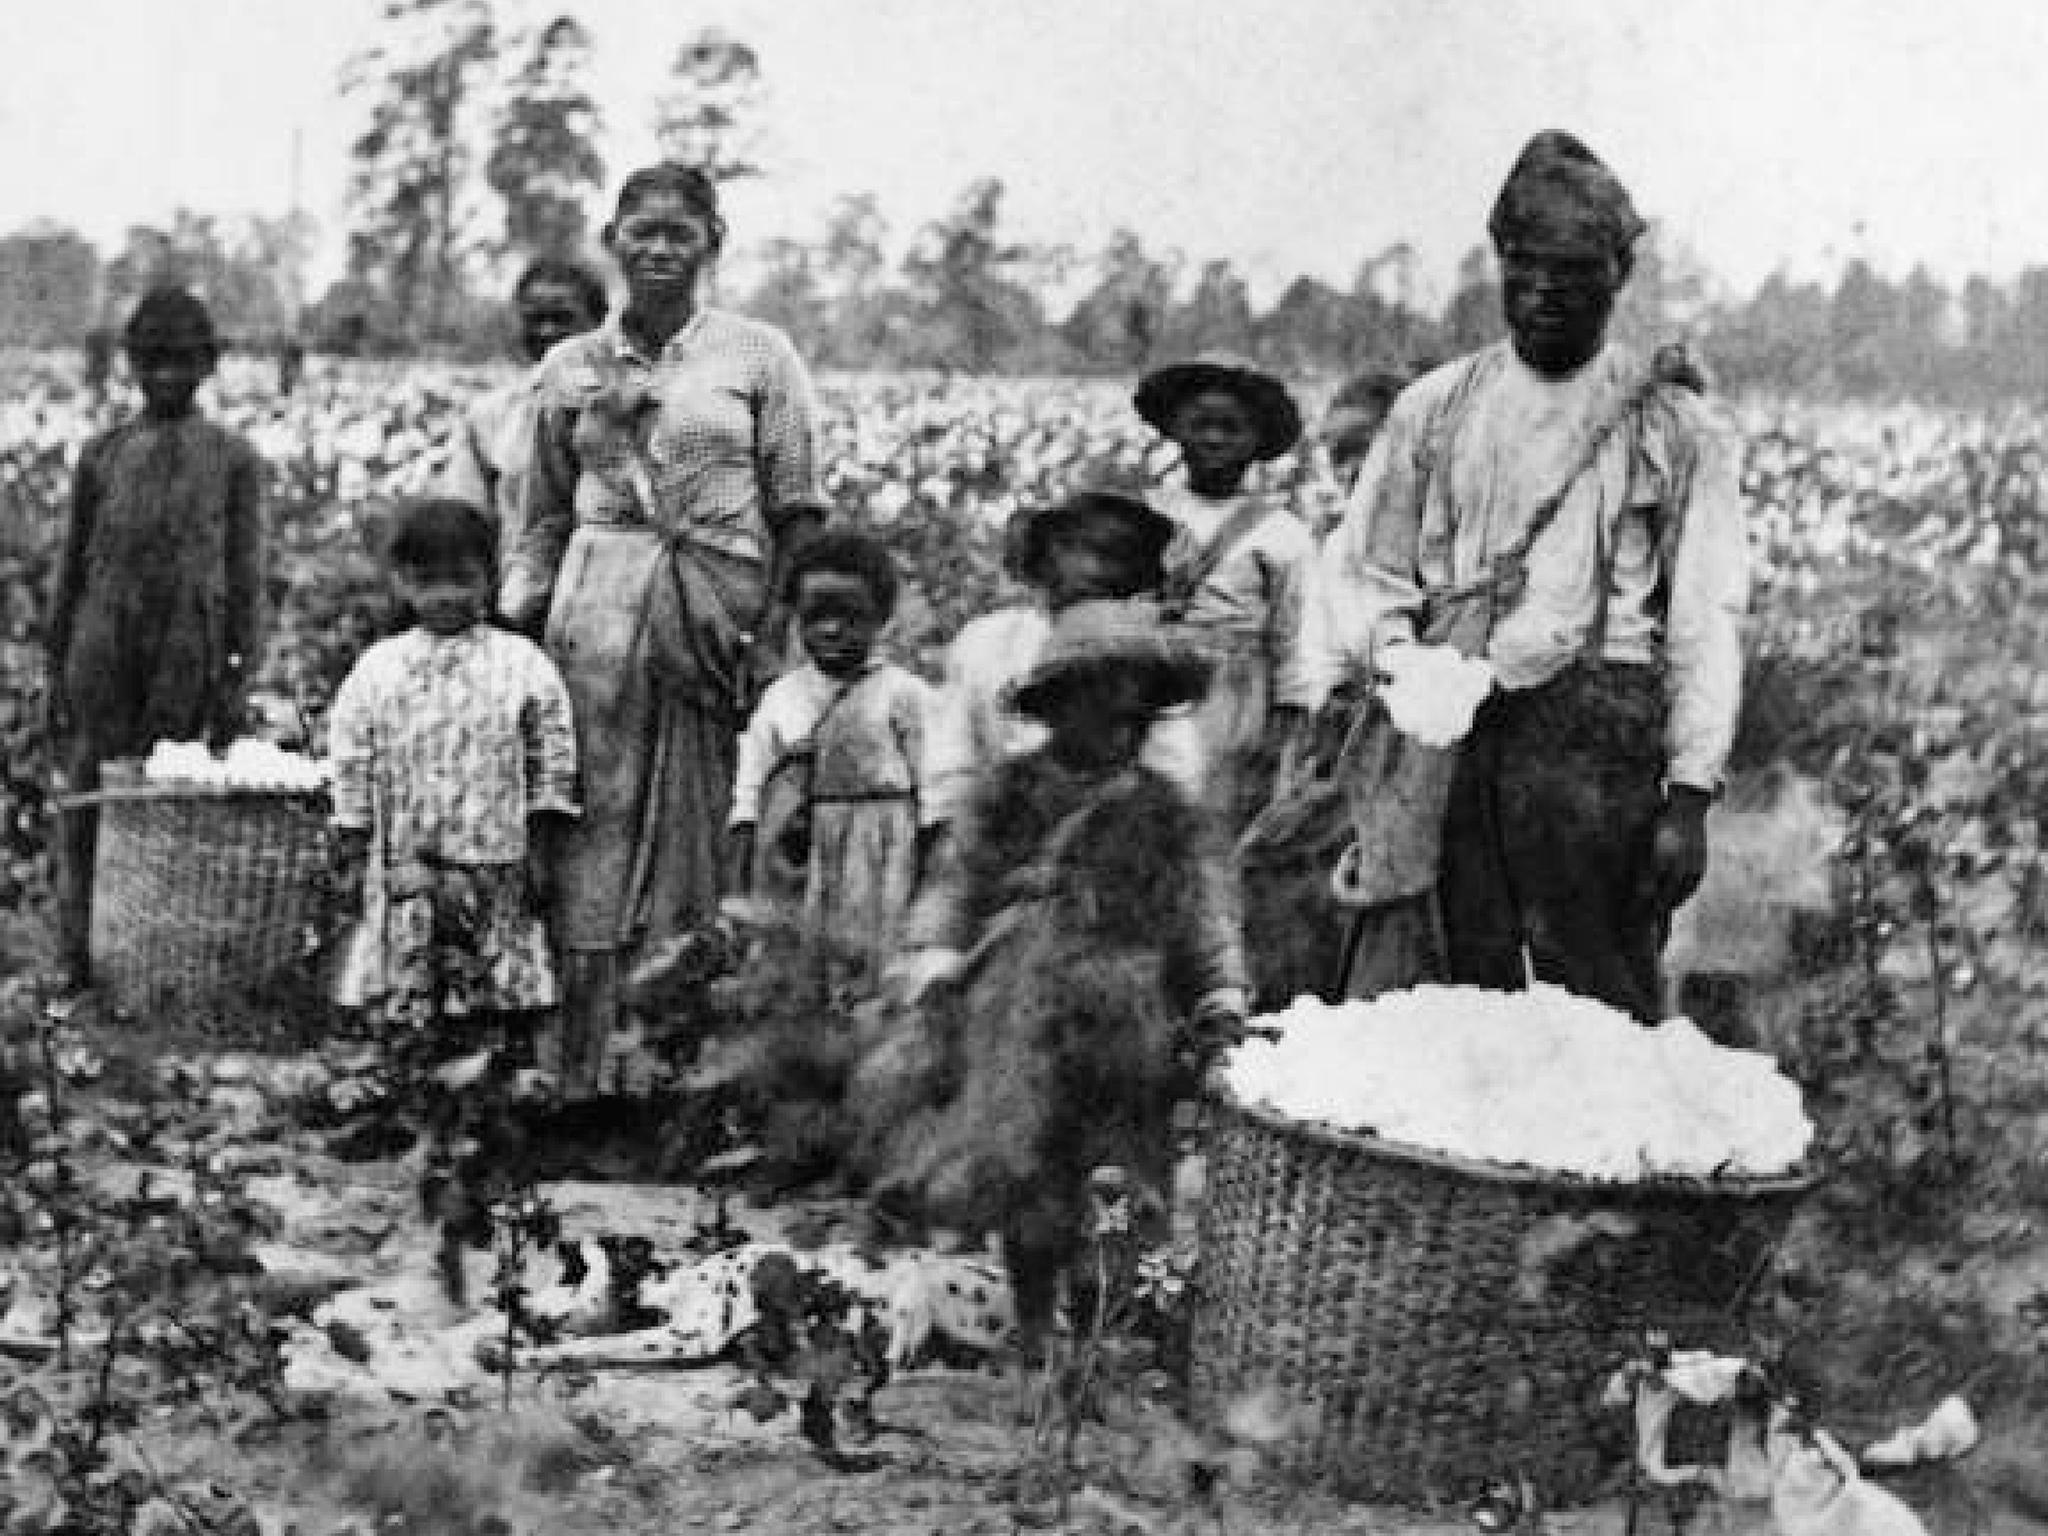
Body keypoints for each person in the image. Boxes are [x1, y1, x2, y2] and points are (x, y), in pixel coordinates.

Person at [1307, 131, 1748, 1023]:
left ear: (1617, 279)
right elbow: (1367, 569)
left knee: (1600, 1003)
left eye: (1575, 270)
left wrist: (1690, 796)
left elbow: (1707, 614)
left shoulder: (1672, 425)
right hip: (1457, 737)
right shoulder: (1434, 410)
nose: (1546, 291)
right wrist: (1405, 661)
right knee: (1466, 998)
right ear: (1499, 263)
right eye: (1525, 266)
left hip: (1597, 752)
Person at [503, 163, 822, 1098]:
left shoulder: (760, 358)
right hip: (595, 622)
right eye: (639, 229)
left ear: (712, 243)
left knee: (709, 828)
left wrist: (773, 635)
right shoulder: (569, 370)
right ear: (612, 238)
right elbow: (542, 520)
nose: (656, 247)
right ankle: (585, 1071)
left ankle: (686, 1074)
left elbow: (797, 508)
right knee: (590, 836)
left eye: (678, 231)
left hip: (716, 614)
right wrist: (513, 634)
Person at [871, 599, 1248, 1362]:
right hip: (1019, 1013)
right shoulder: (1009, 794)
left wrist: (1220, 994)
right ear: (1060, 705)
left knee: (1122, 1174)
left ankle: (1096, 1319)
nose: (1121, 717)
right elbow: (957, 878)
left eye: (1135, 701)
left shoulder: (1164, 811)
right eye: (1102, 695)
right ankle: (1038, 1328)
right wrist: (935, 955)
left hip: (1130, 1019)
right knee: (1026, 1170)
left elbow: (1202, 909)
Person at [326, 497, 579, 1294]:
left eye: (463, 580)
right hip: (411, 864)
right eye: (428, 582)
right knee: (413, 994)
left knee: (492, 995)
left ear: (489, 578)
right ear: (402, 583)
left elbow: (552, 751)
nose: (447, 598)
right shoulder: (381, 668)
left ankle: (491, 1131)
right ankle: (419, 1122)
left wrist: (543, 835)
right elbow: (353, 754)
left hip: (494, 857)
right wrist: (354, 829)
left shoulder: (519, 664)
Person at [44, 288, 267, 991]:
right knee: (91, 788)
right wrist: (56, 668)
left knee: (168, 793)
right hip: (103, 643)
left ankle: (155, 955)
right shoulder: (102, 453)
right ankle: (77, 954)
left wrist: (236, 676)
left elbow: (247, 576)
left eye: (181, 361)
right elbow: (70, 566)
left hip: (185, 646)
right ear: (131, 365)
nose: (166, 375)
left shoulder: (234, 460)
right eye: (152, 361)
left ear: (209, 364)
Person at [921, 477, 1202, 841]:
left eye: (1114, 552)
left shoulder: (1149, 651)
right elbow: (951, 765)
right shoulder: (987, 642)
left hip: (1119, 835)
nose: (1092, 566)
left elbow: (1176, 766)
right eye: (1074, 546)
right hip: (1005, 829)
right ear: (1044, 559)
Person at [727, 530, 934, 993]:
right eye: (816, 617)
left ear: (880, 617)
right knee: (802, 976)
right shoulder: (782, 698)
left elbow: (936, 793)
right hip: (797, 860)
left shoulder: (904, 695)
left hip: (882, 858)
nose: (832, 630)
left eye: (849, 617)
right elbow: (748, 788)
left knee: (875, 972)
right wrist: (744, 875)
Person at [1133, 353, 1318, 836]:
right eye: (1201, 424)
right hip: (1151, 684)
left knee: (1219, 825)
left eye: (1232, 428)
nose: (1214, 439)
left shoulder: (1283, 536)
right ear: (1176, 430)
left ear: (1257, 443)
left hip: (1233, 699)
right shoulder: (1146, 514)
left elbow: (1295, 641)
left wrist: (1286, 736)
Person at [439, 257, 608, 608]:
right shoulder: (489, 416)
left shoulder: (624, 410)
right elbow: (465, 521)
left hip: (606, 599)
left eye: (562, 318)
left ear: (598, 324)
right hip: (518, 600)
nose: (546, 331)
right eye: (535, 320)